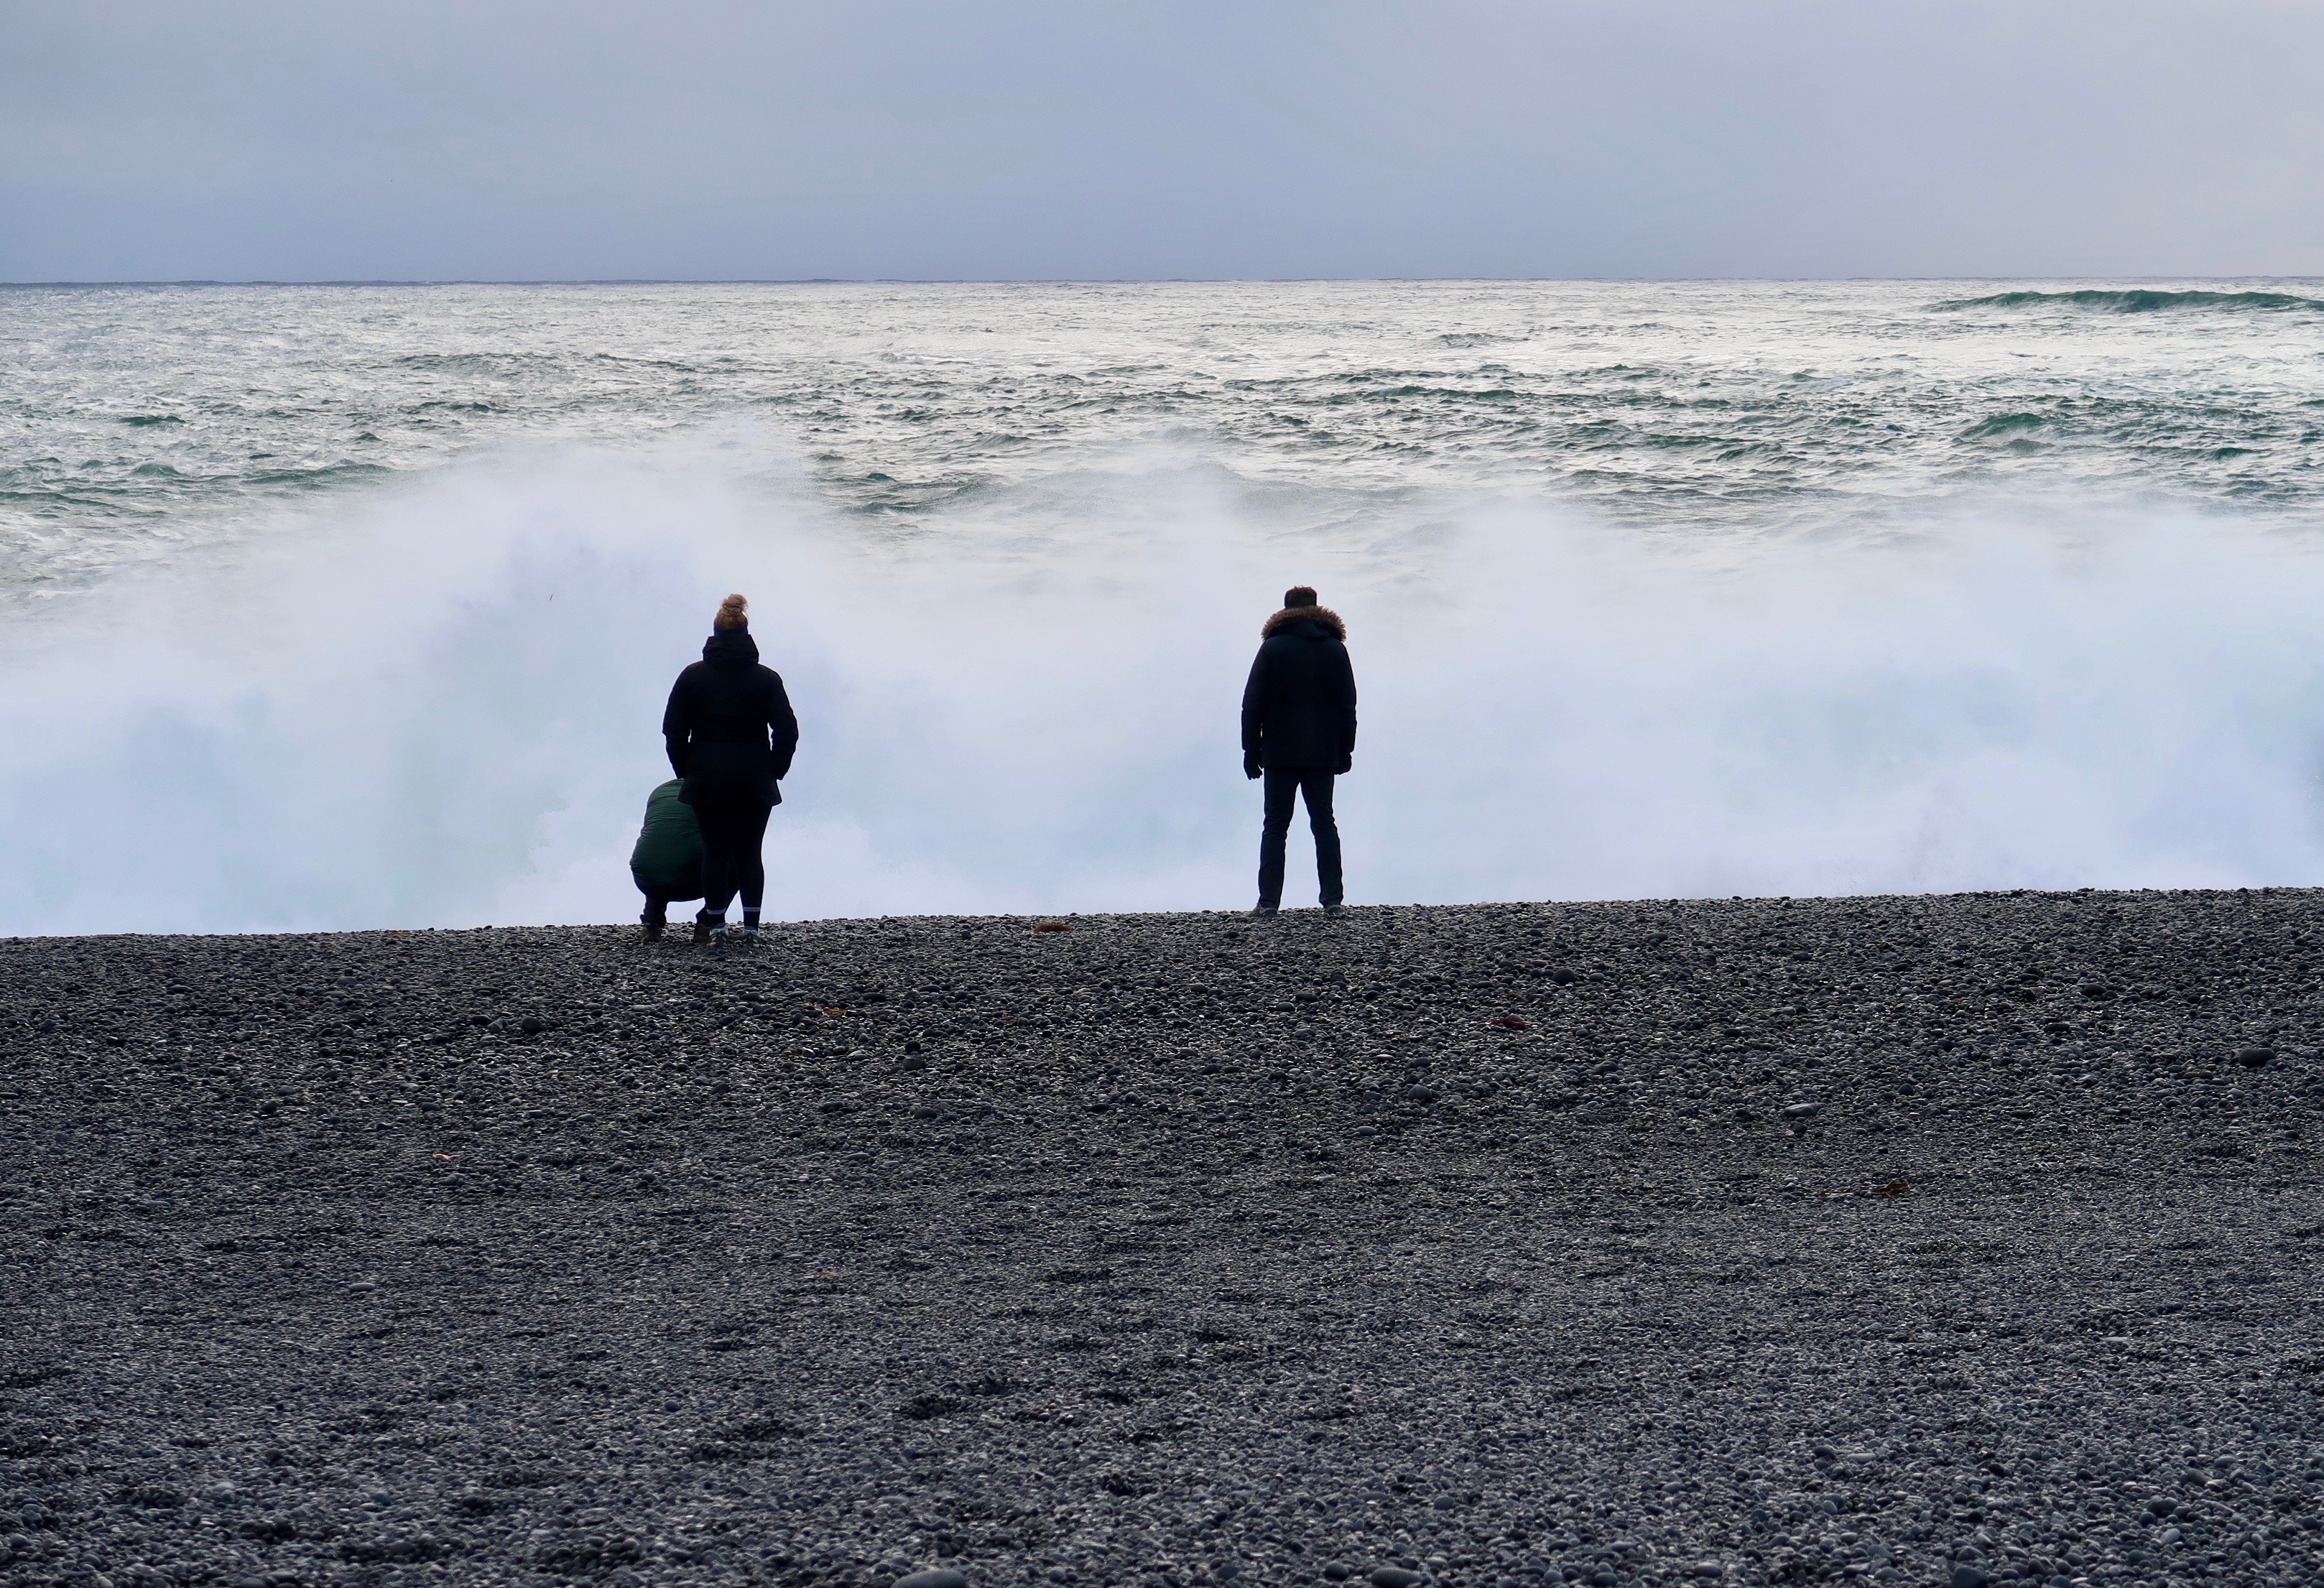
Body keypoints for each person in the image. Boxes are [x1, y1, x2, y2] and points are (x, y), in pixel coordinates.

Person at [661, 593, 800, 944]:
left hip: (707, 774)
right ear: (747, 634)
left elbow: (674, 731)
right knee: (750, 852)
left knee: (716, 851)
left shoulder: (693, 677)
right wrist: (774, 769)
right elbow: (786, 730)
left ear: (714, 634)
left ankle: (717, 926)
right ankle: (752, 929)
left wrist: (686, 770)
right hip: (754, 775)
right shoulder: (766, 679)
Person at [1240, 585, 1356, 916]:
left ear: (1285, 610)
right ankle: (1333, 901)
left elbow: (1252, 705)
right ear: (1317, 609)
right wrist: (1345, 750)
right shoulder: (1335, 649)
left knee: (1275, 826)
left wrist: (1251, 750)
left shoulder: (1273, 648)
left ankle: (1268, 904)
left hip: (1278, 752)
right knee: (1324, 824)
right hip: (1322, 752)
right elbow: (1348, 705)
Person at [628, 779, 705, 942]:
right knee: (741, 858)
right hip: (693, 882)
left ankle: (652, 922)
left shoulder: (660, 791)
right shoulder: (711, 790)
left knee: (661, 855)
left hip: (646, 880)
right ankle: (708, 923)